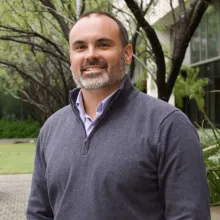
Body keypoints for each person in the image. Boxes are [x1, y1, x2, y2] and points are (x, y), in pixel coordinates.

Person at [26, 11, 210, 220]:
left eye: (103, 45)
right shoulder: (52, 128)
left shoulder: (168, 125)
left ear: (127, 53)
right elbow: (39, 213)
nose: (90, 55)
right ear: (71, 56)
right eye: (80, 47)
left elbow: (190, 215)